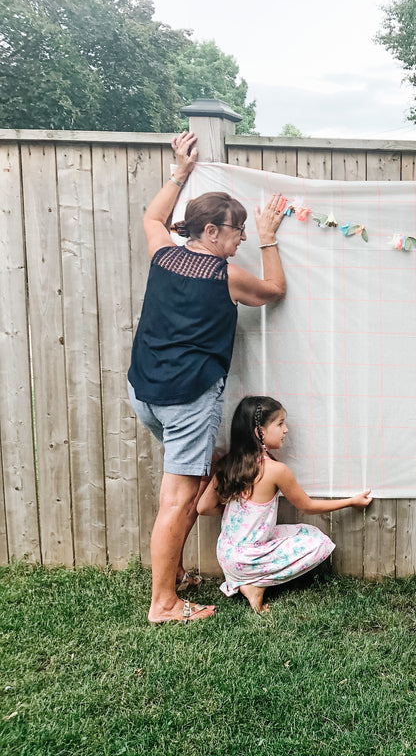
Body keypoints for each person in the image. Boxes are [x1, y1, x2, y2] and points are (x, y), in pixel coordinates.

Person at [129, 131, 289, 625]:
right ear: (212, 232)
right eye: (235, 229)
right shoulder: (226, 275)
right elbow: (274, 291)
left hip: (145, 393)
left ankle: (172, 575)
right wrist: (267, 236)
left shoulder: (164, 253)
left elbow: (153, 217)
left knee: (186, 483)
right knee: (178, 501)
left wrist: (179, 169)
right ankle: (164, 603)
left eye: (244, 230)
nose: (239, 236)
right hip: (187, 398)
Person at [197, 396, 372, 613]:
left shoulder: (228, 463)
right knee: (319, 542)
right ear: (258, 432)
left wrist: (240, 513)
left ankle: (244, 579)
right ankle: (255, 583)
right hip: (248, 559)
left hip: (226, 553)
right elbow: (307, 506)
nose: (286, 430)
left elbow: (202, 508)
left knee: (305, 530)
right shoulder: (276, 470)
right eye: (280, 424)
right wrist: (351, 502)